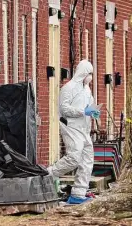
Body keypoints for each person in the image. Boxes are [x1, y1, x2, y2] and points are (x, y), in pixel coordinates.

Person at [47, 60, 100, 205]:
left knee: (87, 161)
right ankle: (48, 175)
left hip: (84, 129)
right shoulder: (68, 88)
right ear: (82, 72)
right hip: (71, 127)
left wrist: (93, 111)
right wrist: (83, 111)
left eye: (91, 74)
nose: (90, 76)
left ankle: (78, 194)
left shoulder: (87, 89)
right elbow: (64, 109)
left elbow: (90, 105)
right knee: (74, 158)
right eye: (88, 73)